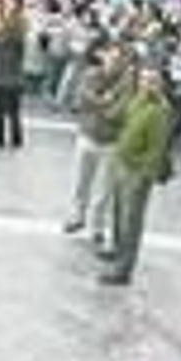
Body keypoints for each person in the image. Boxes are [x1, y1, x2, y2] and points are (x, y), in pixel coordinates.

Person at [100, 67, 173, 287]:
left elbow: (157, 149)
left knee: (131, 221)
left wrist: (144, 176)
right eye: (143, 79)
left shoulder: (160, 111)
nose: (145, 84)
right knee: (118, 212)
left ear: (159, 84)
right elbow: (114, 115)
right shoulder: (136, 100)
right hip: (122, 164)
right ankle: (117, 249)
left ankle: (124, 269)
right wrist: (123, 88)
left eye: (151, 80)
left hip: (137, 173)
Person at [63, 47, 129, 246]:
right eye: (111, 58)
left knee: (104, 188)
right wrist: (103, 101)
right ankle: (77, 216)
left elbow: (118, 111)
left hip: (111, 141)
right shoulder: (91, 74)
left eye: (118, 60)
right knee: (80, 181)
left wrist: (98, 103)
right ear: (104, 58)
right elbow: (83, 97)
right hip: (87, 135)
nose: (114, 63)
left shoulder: (126, 83)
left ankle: (97, 226)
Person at [0, 0, 27, 149]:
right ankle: (17, 138)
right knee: (14, 111)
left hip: (2, 77)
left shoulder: (4, 37)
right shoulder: (19, 37)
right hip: (15, 78)